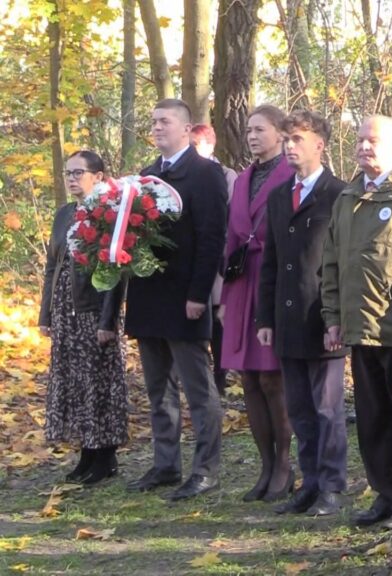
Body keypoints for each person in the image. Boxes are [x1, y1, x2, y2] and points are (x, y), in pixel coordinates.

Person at [321, 115, 392, 529]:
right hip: (357, 326)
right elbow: (332, 261)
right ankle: (385, 492)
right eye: (360, 139)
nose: (364, 146)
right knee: (372, 417)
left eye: (374, 140)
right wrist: (332, 317)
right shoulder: (347, 196)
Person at [125, 99, 227, 500]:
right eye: (152, 121)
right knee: (158, 389)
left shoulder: (205, 174)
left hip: (186, 298)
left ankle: (206, 470)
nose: (156, 127)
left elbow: (211, 238)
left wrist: (199, 294)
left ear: (187, 129)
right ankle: (166, 464)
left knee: (198, 389)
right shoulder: (147, 176)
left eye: (164, 121)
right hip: (149, 297)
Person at [256, 110, 348, 516]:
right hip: (288, 318)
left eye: (298, 139)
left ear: (319, 144)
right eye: (287, 139)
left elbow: (345, 262)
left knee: (327, 408)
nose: (290, 146)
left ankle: (331, 485)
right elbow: (271, 260)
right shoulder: (279, 196)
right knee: (299, 408)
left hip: (324, 317)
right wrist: (265, 318)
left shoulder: (339, 194)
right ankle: (309, 484)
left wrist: (338, 317)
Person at [220, 104, 296, 503]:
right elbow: (231, 236)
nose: (251, 136)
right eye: (248, 130)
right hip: (240, 284)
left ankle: (285, 463)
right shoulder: (242, 179)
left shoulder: (290, 173)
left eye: (260, 129)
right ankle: (265, 465)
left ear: (281, 135)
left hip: (272, 282)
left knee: (272, 377)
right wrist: (222, 295)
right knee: (247, 377)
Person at [39, 150, 127, 486]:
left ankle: (106, 455)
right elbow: (52, 266)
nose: (72, 178)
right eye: (68, 172)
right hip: (64, 310)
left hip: (92, 310)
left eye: (79, 172)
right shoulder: (64, 214)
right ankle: (86, 453)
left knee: (98, 382)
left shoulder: (110, 213)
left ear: (99, 176)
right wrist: (45, 312)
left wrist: (108, 320)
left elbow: (117, 270)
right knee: (74, 383)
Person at [191, 123, 238, 394]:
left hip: (218, 258)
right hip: (192, 260)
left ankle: (221, 376)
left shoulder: (225, 174)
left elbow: (226, 217)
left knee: (218, 317)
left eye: (197, 146)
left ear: (210, 146)